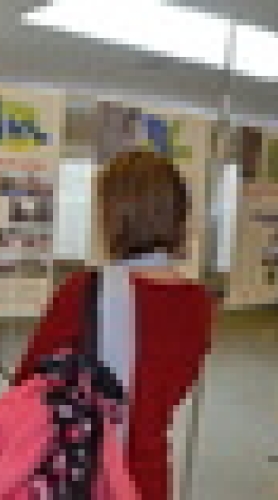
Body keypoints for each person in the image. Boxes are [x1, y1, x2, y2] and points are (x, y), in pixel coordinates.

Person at [11, 149, 214, 500]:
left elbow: (26, 387)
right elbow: (169, 389)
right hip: (149, 479)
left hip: (86, 476)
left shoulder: (84, 291)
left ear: (115, 215)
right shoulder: (198, 303)